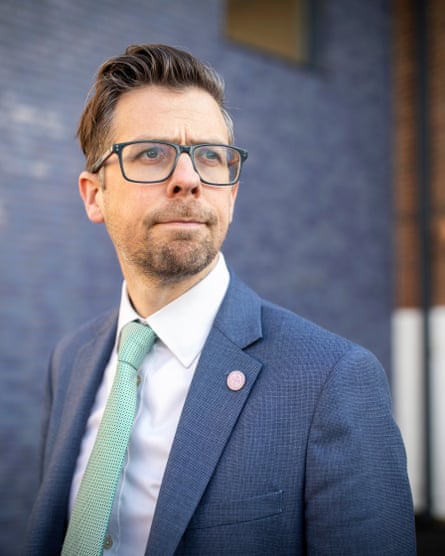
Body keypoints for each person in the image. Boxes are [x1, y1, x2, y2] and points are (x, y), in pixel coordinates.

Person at [25, 44, 416, 555]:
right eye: (150, 153)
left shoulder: (333, 380)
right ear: (94, 194)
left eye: (210, 156)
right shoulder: (71, 360)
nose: (188, 178)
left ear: (230, 193)